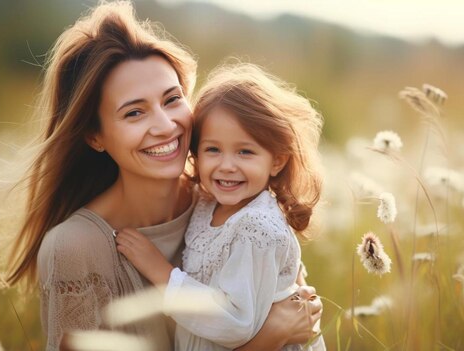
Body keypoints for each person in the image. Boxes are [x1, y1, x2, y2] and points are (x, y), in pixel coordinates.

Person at [4, 2, 322, 350]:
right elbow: (274, 326)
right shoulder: (76, 248)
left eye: (172, 99)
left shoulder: (227, 204)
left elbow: (295, 303)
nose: (165, 125)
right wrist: (267, 338)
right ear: (95, 136)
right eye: (135, 112)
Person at [115, 63, 325, 350]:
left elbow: (235, 320)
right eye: (213, 149)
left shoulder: (256, 226)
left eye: (245, 152)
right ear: (196, 154)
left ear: (277, 160)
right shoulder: (207, 202)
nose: (227, 166)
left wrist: (160, 272)